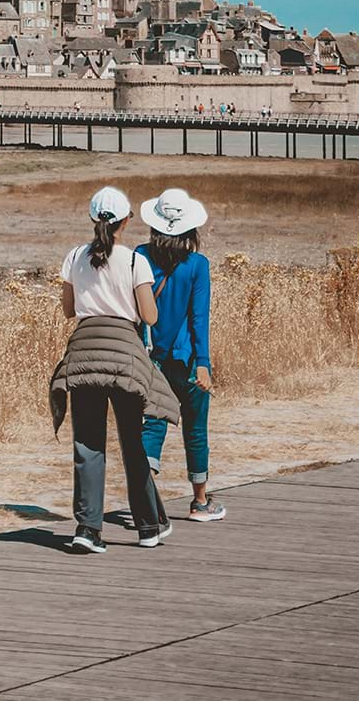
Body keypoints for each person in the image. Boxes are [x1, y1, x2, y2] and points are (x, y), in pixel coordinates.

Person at [50, 187, 180, 553]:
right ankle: (148, 526)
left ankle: (88, 529)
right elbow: (149, 316)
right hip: (124, 354)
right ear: (126, 220)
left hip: (85, 351)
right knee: (132, 441)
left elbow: (69, 310)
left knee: (88, 442)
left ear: (94, 219)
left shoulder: (74, 257)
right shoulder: (135, 262)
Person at [138, 189, 227, 522]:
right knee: (195, 429)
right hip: (188, 359)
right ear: (190, 229)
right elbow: (198, 318)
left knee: (152, 425)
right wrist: (203, 363)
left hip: (151, 359)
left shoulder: (140, 256)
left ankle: (143, 502)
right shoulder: (197, 265)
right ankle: (200, 502)